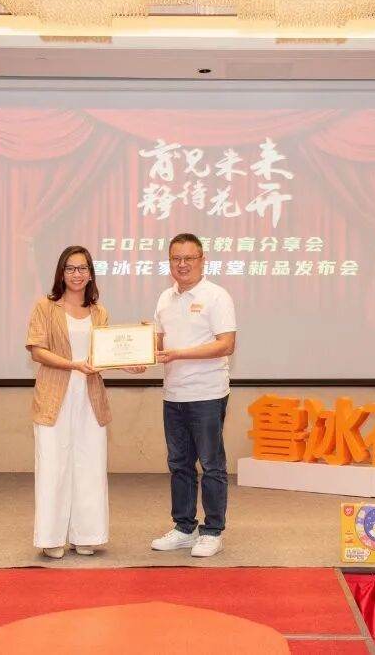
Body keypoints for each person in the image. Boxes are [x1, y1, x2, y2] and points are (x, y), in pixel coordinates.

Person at [25, 245, 145, 559]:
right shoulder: (45, 306)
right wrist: (73, 365)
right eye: (70, 268)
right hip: (54, 397)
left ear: (91, 273)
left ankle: (86, 535)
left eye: (82, 268)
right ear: (61, 272)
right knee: (53, 466)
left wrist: (129, 364)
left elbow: (104, 355)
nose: (76, 274)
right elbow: (37, 350)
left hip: (90, 398)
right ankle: (51, 538)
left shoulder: (99, 312)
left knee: (90, 465)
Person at [150, 233, 237, 557]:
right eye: (176, 258)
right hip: (174, 394)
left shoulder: (217, 296)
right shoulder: (165, 298)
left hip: (207, 393)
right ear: (169, 262)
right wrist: (138, 358)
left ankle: (212, 531)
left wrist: (178, 354)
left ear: (202, 261)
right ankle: (184, 527)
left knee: (212, 465)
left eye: (189, 258)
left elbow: (226, 344)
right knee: (179, 464)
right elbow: (158, 344)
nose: (182, 264)